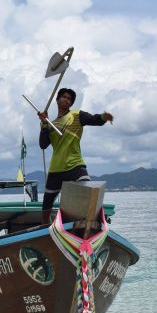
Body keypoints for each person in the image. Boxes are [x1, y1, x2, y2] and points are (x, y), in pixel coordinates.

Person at [38, 87, 113, 224]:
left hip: (75, 165)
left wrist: (104, 117)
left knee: (89, 191)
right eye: (64, 97)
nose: (66, 100)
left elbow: (94, 119)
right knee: (47, 203)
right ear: (57, 100)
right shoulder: (51, 124)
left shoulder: (77, 115)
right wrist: (44, 124)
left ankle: (94, 222)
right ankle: (44, 227)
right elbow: (43, 145)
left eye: (69, 99)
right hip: (56, 169)